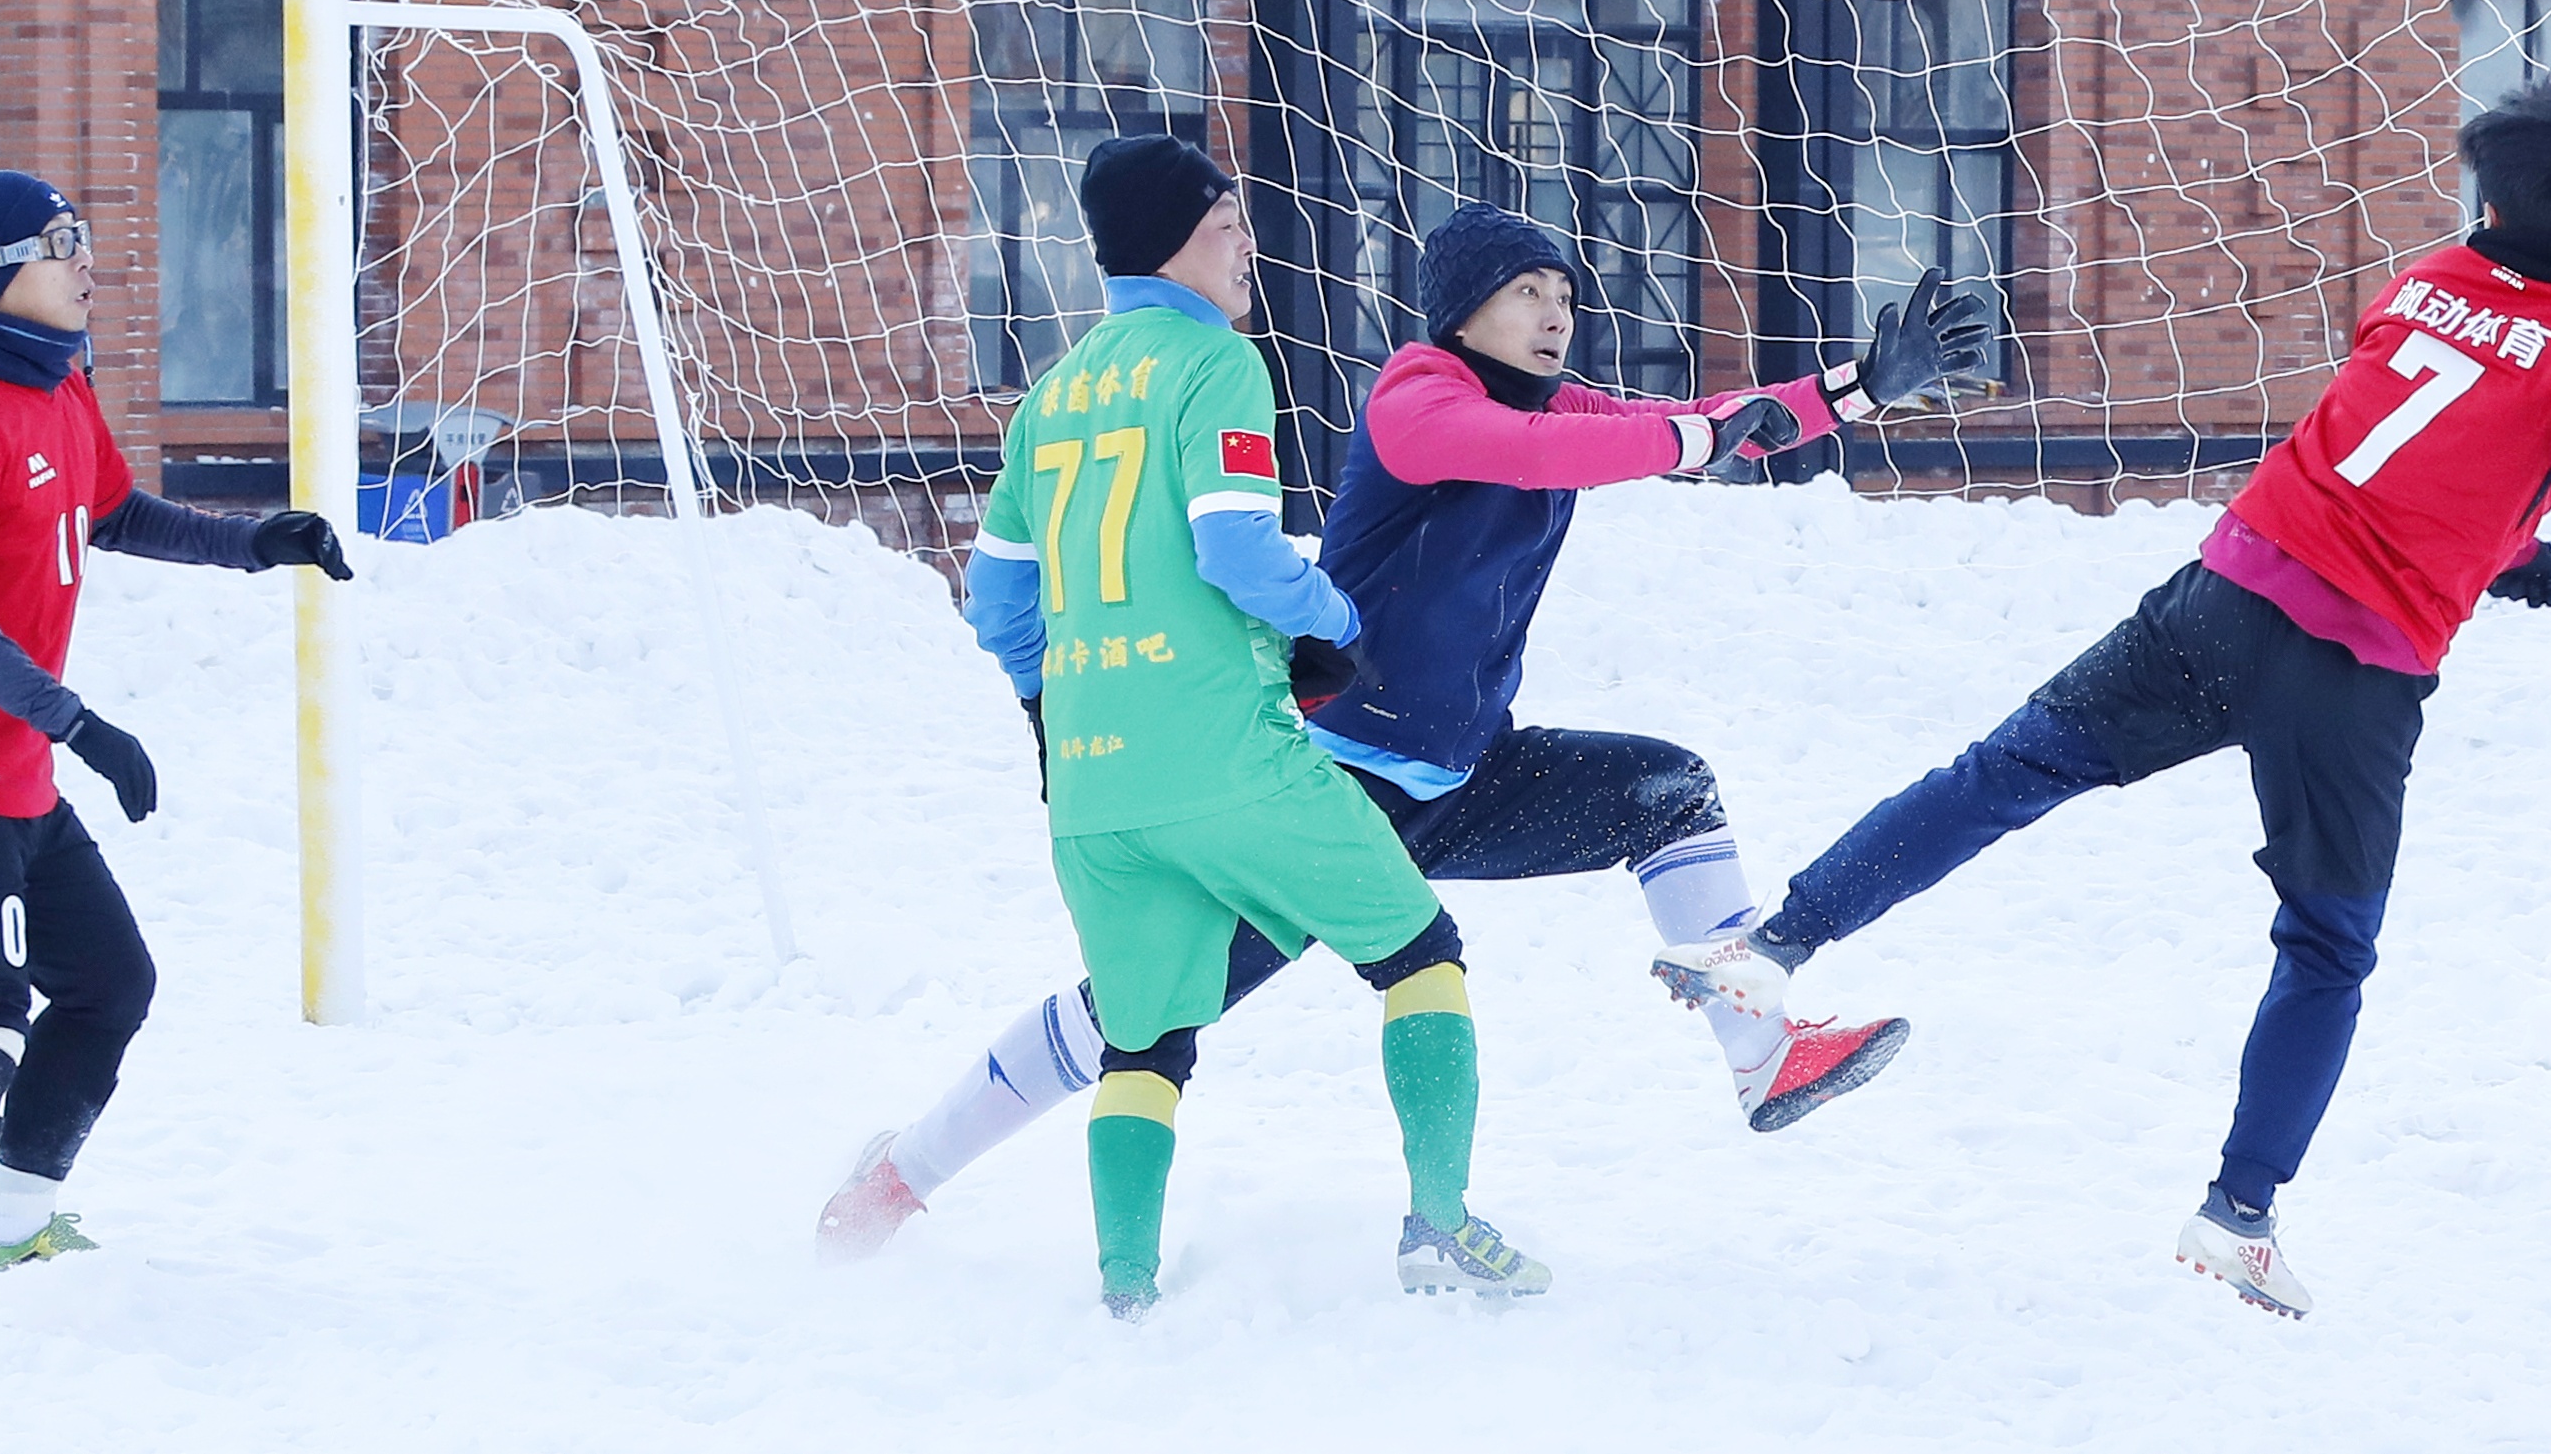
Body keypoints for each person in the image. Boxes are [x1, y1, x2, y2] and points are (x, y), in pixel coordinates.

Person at [1654, 73, 2551, 1320]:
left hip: (2226, 594)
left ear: (2487, 198)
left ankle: (1772, 943)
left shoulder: (2422, 283)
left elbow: (2402, 421)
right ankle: (2239, 1212)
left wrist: (2504, 553)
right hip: (2352, 677)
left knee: (2006, 772)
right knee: (2327, 949)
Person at [817, 199, 1992, 1259]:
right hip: (1326, 788)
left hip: (1466, 773)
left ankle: (1762, 1054)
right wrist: (1690, 440)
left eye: (1567, 296)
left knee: (1669, 792)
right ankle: (900, 1173)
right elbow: (1550, 453)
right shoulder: (1417, 399)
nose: (1555, 316)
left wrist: (1853, 391)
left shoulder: (1553, 403)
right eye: (1527, 293)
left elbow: (1691, 422)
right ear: (1463, 315)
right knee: (1140, 1014)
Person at [945, 137, 1557, 1317]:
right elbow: (1236, 548)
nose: (1250, 245)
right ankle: (1440, 1223)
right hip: (1229, 758)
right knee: (1419, 950)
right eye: (1231, 223)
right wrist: (1334, 620)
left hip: (1092, 789)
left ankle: (1126, 1291)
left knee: (1147, 1039)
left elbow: (995, 604)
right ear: (1179, 237)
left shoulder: (1052, 393)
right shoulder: (1213, 363)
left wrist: (1048, 707)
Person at [0, 171, 353, 1292]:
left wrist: (257, 541)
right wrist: (77, 721)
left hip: (7, 771)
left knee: (111, 982)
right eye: (62, 241)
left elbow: (113, 513)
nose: (85, 261)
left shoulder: (56, 391)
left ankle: (12, 1228)